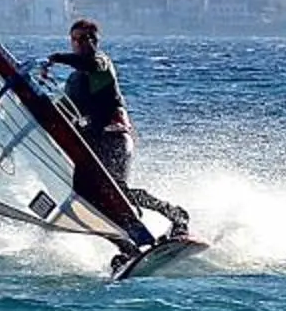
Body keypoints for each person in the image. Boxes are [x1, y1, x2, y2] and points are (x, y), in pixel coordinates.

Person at [44, 18, 192, 244]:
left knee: (116, 191)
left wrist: (56, 58)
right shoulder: (74, 80)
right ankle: (123, 245)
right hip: (90, 143)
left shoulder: (101, 64)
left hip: (113, 138)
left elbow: (89, 64)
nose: (78, 43)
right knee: (86, 196)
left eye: (84, 39)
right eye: (74, 39)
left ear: (94, 41)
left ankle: (175, 215)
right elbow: (65, 108)